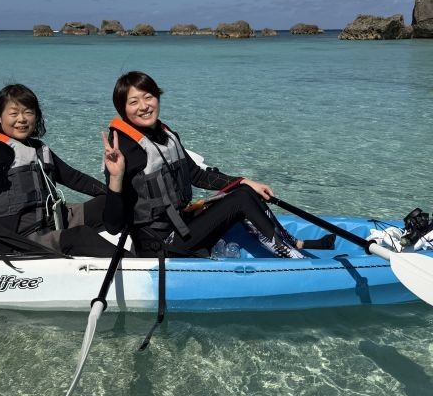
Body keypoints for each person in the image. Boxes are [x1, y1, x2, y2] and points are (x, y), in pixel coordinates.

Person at [101, 71, 335, 258]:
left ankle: (292, 243)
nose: (144, 106)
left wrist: (244, 181)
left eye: (148, 96)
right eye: (133, 102)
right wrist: (115, 177)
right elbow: (112, 226)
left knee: (243, 190)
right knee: (241, 198)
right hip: (162, 243)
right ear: (123, 110)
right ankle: (294, 259)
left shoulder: (164, 134)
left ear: (158, 97)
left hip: (183, 225)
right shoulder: (124, 150)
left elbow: (196, 175)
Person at [0, 84, 116, 256]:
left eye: (28, 112)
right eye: (13, 113)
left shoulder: (37, 148)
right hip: (18, 237)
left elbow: (75, 178)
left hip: (50, 220)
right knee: (80, 237)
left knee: (109, 204)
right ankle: (133, 266)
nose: (22, 119)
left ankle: (139, 251)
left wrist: (115, 195)